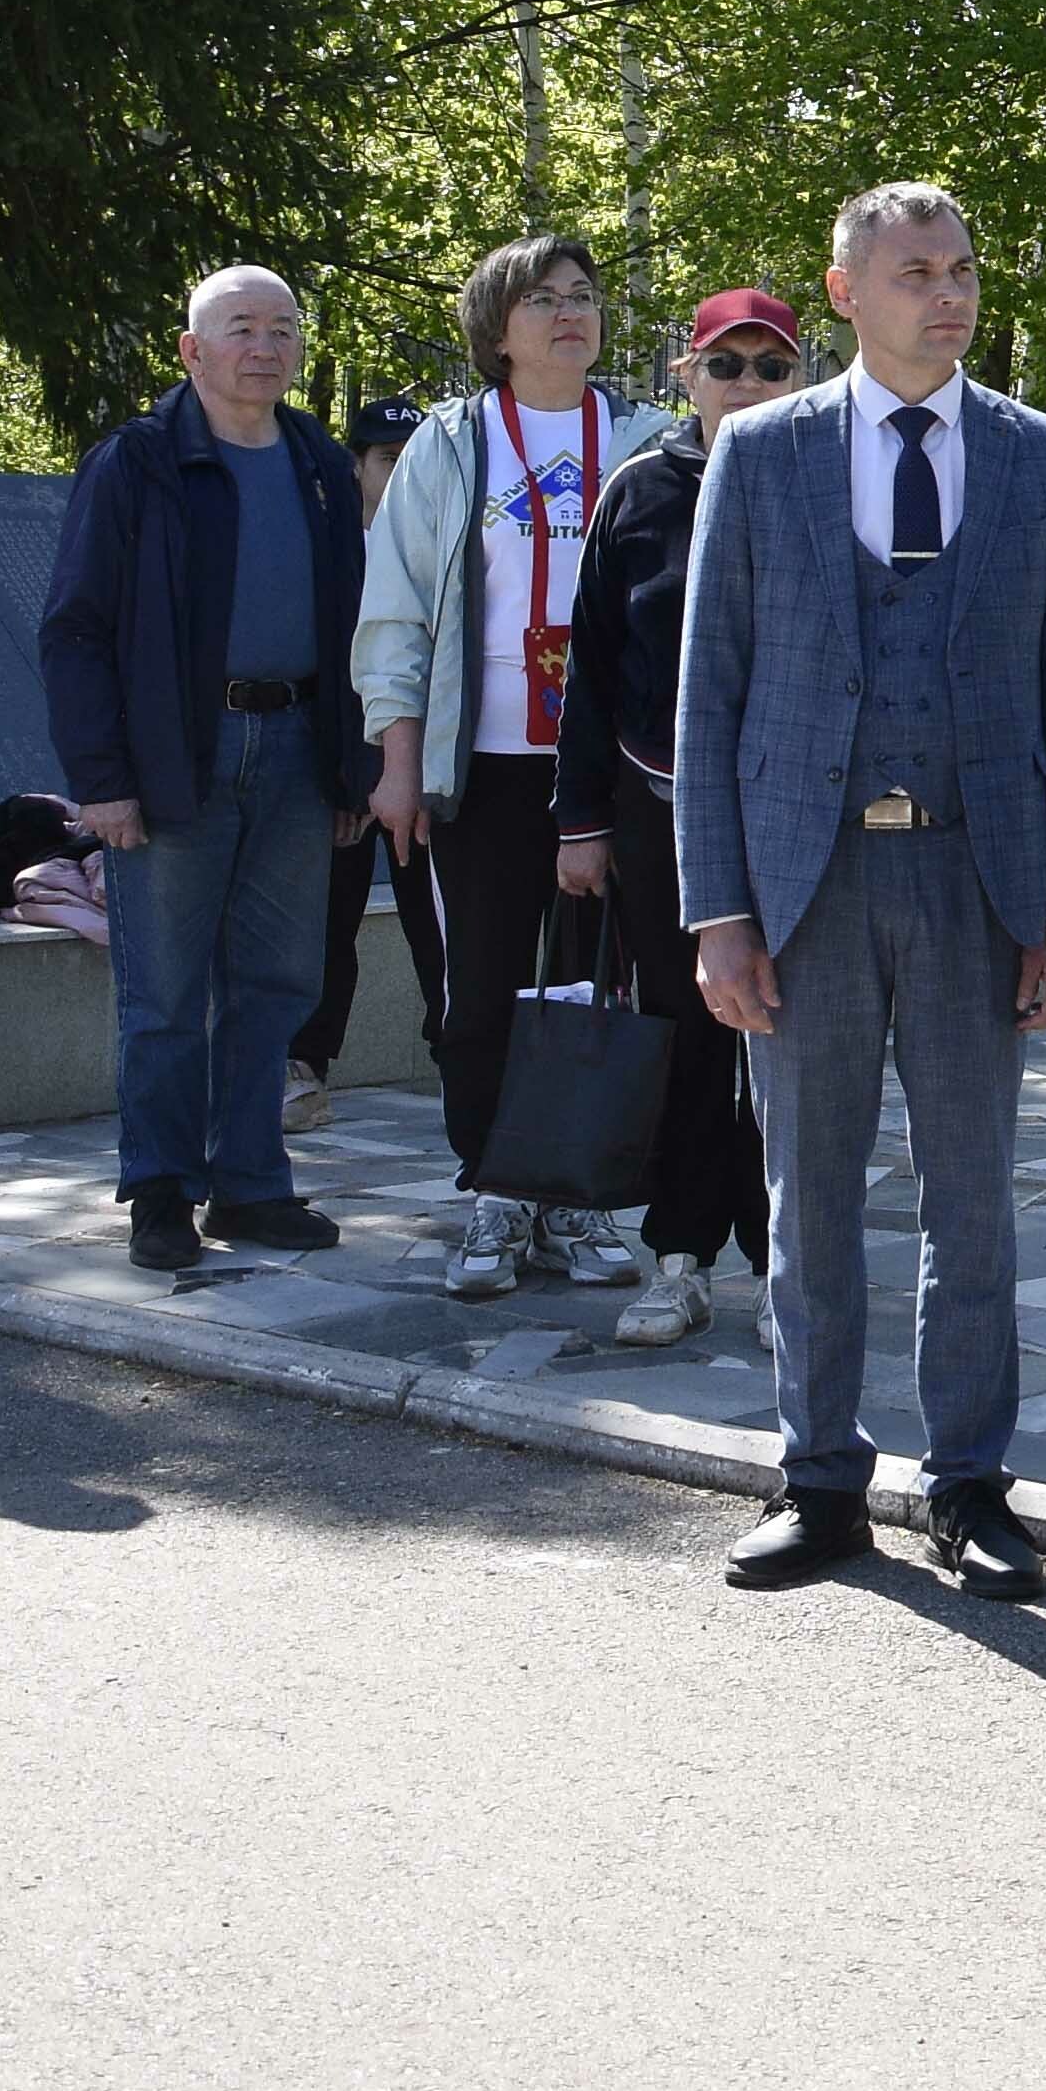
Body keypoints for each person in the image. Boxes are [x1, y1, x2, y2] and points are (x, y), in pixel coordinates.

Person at [678, 182, 1046, 1598]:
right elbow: (710, 691)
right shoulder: (766, 453)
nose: (950, 292)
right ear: (846, 290)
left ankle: (970, 1485)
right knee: (811, 1199)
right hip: (809, 877)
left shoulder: (1041, 458)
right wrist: (716, 910)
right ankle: (820, 1480)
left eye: (964, 269)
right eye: (917, 270)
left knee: (973, 1201)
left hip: (978, 877)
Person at [353, 234, 666, 1298]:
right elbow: (394, 617)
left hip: (609, 768)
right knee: (481, 989)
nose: (570, 313)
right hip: (480, 762)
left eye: (583, 296)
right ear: (495, 328)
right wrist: (398, 763)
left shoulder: (643, 438)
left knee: (590, 990)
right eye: (543, 299)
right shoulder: (448, 446)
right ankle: (492, 1190)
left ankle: (572, 1201)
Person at [40, 267, 364, 1271]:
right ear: (191, 350)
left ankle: (252, 1184)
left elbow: (359, 618)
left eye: (281, 329)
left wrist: (349, 768)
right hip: (179, 754)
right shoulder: (137, 462)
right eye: (239, 330)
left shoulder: (315, 457)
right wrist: (104, 779)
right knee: (166, 994)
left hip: (299, 749)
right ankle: (162, 1191)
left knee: (274, 986)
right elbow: (77, 631)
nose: (263, 347)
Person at [549, 289, 797, 1343]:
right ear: (686, 376)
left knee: (796, 1044)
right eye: (725, 364)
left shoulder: (822, 478)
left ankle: (795, 1268)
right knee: (688, 1035)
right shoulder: (636, 492)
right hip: (659, 804)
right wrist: (580, 820)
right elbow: (594, 665)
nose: (746, 384)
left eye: (769, 366)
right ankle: (681, 1254)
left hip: (796, 807)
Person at [294, 396, 438, 1132]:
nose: (400, 472)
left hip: (433, 780)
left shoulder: (445, 546)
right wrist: (348, 777)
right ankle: (304, 1067)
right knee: (325, 926)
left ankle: (461, 1060)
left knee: (441, 931)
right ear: (356, 467)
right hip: (344, 781)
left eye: (412, 458)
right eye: (386, 458)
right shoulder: (327, 552)